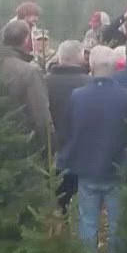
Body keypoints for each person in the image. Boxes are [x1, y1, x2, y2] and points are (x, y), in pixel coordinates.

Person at [62, 45, 127, 253]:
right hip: (118, 169)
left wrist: (66, 161)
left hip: (87, 168)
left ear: (90, 66)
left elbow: (70, 132)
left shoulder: (77, 97)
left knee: (87, 223)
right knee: (118, 226)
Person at [47, 40, 92, 206]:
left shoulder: (45, 82)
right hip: (83, 153)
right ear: (81, 58)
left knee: (57, 201)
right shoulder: (89, 83)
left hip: (53, 151)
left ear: (59, 58)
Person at [0, 17, 54, 146]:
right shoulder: (29, 72)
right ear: (26, 40)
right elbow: (41, 116)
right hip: (20, 144)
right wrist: (50, 147)